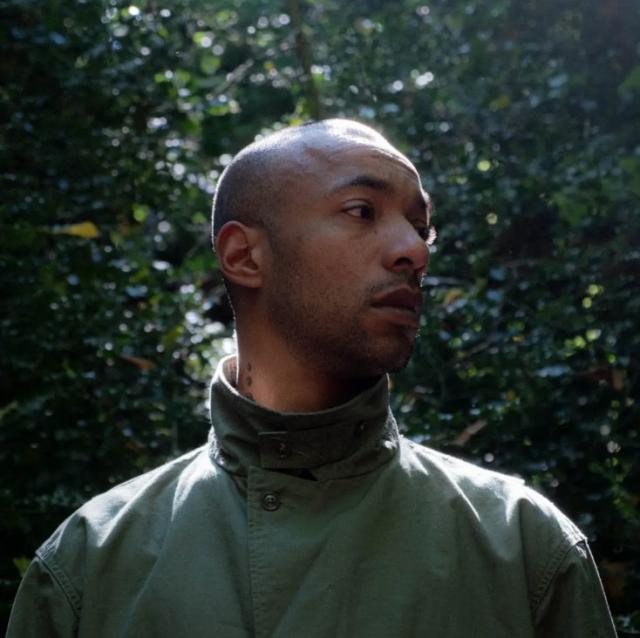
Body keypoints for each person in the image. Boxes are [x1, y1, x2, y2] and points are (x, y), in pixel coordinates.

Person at [8, 119, 617, 637]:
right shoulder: (90, 565)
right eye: (362, 211)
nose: (415, 250)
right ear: (244, 256)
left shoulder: (523, 548)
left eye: (420, 225)